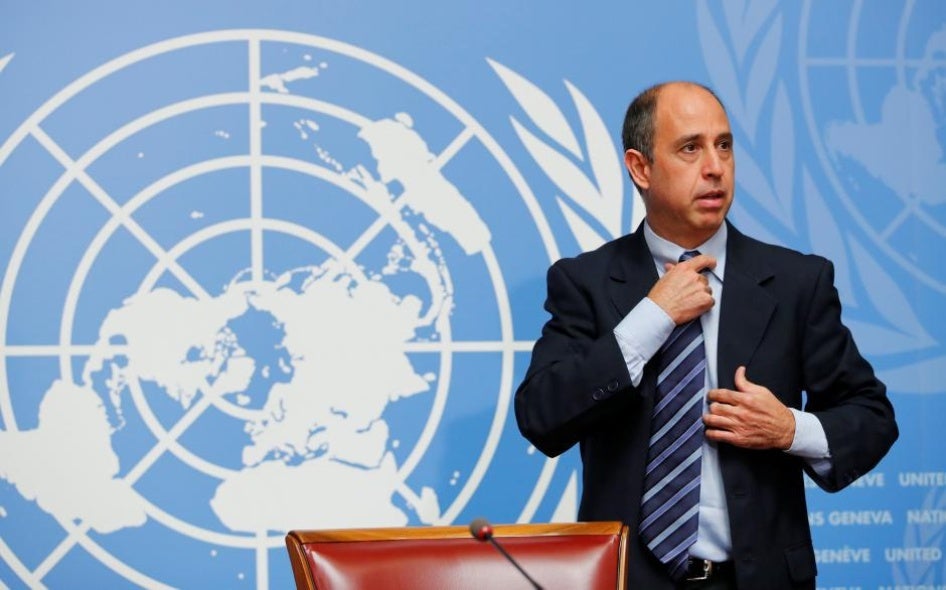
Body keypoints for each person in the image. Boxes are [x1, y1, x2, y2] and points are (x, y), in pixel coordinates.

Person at [514, 81, 897, 589]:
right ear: (640, 167)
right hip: (629, 578)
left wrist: (790, 430)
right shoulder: (585, 282)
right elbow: (542, 416)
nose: (715, 167)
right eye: (690, 148)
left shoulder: (796, 282)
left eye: (724, 146)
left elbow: (871, 417)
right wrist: (650, 319)